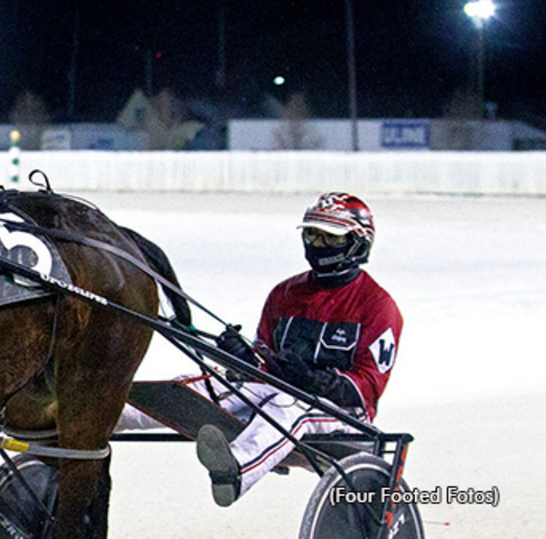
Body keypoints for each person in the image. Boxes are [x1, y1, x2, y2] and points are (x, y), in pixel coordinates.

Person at [117, 192, 403, 507]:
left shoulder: (378, 306)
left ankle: (236, 468)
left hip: (343, 415)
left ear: (357, 243)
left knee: (288, 404)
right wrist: (243, 358)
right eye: (311, 234)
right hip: (274, 395)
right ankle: (95, 417)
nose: (317, 245)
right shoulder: (284, 293)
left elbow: (368, 388)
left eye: (329, 238)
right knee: (198, 384)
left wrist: (310, 380)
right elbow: (262, 367)